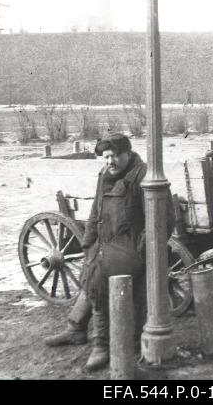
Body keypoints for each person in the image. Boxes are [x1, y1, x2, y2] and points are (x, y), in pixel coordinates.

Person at [44, 132, 175, 372]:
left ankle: (101, 344)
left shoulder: (143, 175)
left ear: (127, 154)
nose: (110, 162)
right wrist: (87, 244)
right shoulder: (105, 175)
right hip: (106, 244)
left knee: (100, 273)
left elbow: (164, 219)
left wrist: (141, 248)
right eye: (105, 157)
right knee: (94, 265)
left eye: (114, 156)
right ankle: (76, 328)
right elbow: (95, 211)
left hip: (131, 247)